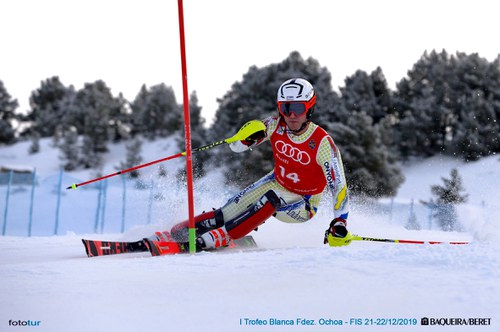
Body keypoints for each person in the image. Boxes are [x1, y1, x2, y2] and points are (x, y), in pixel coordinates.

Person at [167, 78, 351, 250]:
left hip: (303, 203)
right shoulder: (274, 125)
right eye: (286, 108)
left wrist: (340, 222)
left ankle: (222, 236)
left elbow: (339, 187)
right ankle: (178, 231)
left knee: (271, 198)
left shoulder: (322, 143)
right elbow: (236, 148)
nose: (292, 115)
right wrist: (245, 139)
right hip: (276, 182)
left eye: (298, 108)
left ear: (309, 108)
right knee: (228, 212)